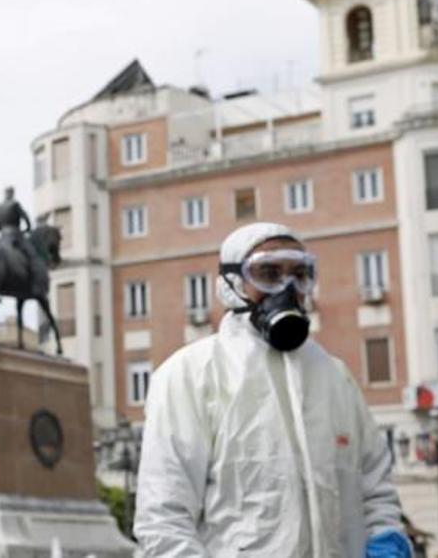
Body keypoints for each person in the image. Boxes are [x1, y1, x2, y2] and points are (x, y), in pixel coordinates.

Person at [134, 222, 411, 557]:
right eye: (268, 273)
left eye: (299, 274)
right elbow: (163, 517)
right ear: (232, 284)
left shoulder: (335, 378)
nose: (287, 288)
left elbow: (375, 489)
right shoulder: (191, 375)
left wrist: (385, 539)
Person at [0, 186, 35, 272]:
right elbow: (25, 217)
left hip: (2, 235)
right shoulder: (15, 204)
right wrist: (28, 228)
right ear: (12, 194)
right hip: (15, 233)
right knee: (31, 252)